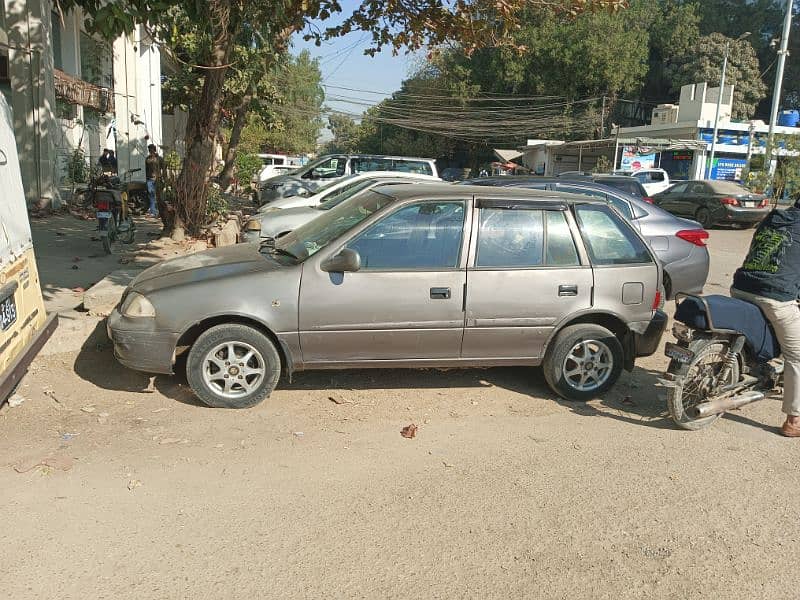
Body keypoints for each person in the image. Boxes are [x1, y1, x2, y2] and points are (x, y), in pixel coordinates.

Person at [731, 197, 800, 437]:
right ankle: (794, 420)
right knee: (797, 355)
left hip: (741, 285)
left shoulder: (773, 217)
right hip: (774, 296)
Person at [145, 144, 164, 218]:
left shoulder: (159, 159)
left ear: (154, 149)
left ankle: (160, 211)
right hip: (149, 179)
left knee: (159, 195)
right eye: (149, 149)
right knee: (151, 194)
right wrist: (146, 179)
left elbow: (164, 168)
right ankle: (153, 210)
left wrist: (164, 178)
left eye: (152, 149)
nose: (150, 151)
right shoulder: (147, 159)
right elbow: (146, 170)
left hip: (158, 179)